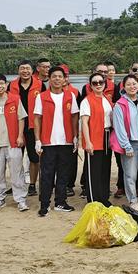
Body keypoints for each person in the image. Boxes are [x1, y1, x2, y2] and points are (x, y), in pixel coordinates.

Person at [34, 66, 79, 216]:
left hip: (65, 141)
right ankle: (44, 204)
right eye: (54, 76)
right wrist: (37, 140)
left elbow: (74, 117)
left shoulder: (70, 96)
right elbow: (37, 119)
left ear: (64, 79)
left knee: (63, 174)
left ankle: (60, 202)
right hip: (48, 142)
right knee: (47, 174)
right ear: (49, 78)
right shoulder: (42, 96)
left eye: (60, 76)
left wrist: (75, 136)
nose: (57, 79)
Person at [110, 75, 138, 211]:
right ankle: (133, 200)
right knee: (130, 174)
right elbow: (119, 127)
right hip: (130, 144)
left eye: (134, 84)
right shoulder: (120, 105)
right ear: (123, 87)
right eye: (128, 84)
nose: (132, 87)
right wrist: (126, 146)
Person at [8, 59, 46, 196]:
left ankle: (32, 185)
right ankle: (17, 184)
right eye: (22, 68)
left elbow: (44, 107)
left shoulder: (40, 85)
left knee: (34, 158)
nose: (25, 71)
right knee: (15, 158)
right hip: (15, 126)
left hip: (33, 126)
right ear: (18, 70)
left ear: (32, 70)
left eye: (27, 68)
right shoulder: (11, 85)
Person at [80, 72, 113, 207]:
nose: (98, 85)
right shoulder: (87, 101)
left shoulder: (106, 99)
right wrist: (87, 142)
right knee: (94, 171)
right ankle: (93, 200)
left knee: (105, 169)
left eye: (101, 82)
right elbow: (84, 123)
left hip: (107, 137)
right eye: (95, 83)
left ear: (105, 84)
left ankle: (104, 198)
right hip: (94, 137)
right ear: (90, 85)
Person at [0, 74, 29, 212]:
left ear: (6, 84)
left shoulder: (14, 99)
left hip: (12, 142)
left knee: (17, 172)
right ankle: (0, 198)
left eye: (1, 83)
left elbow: (21, 118)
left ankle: (21, 200)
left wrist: (20, 135)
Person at [60, 64, 81, 197]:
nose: (64, 78)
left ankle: (69, 185)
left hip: (71, 129)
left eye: (66, 75)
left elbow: (78, 114)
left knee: (71, 159)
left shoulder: (75, 92)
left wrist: (77, 134)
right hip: (54, 130)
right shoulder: (48, 91)